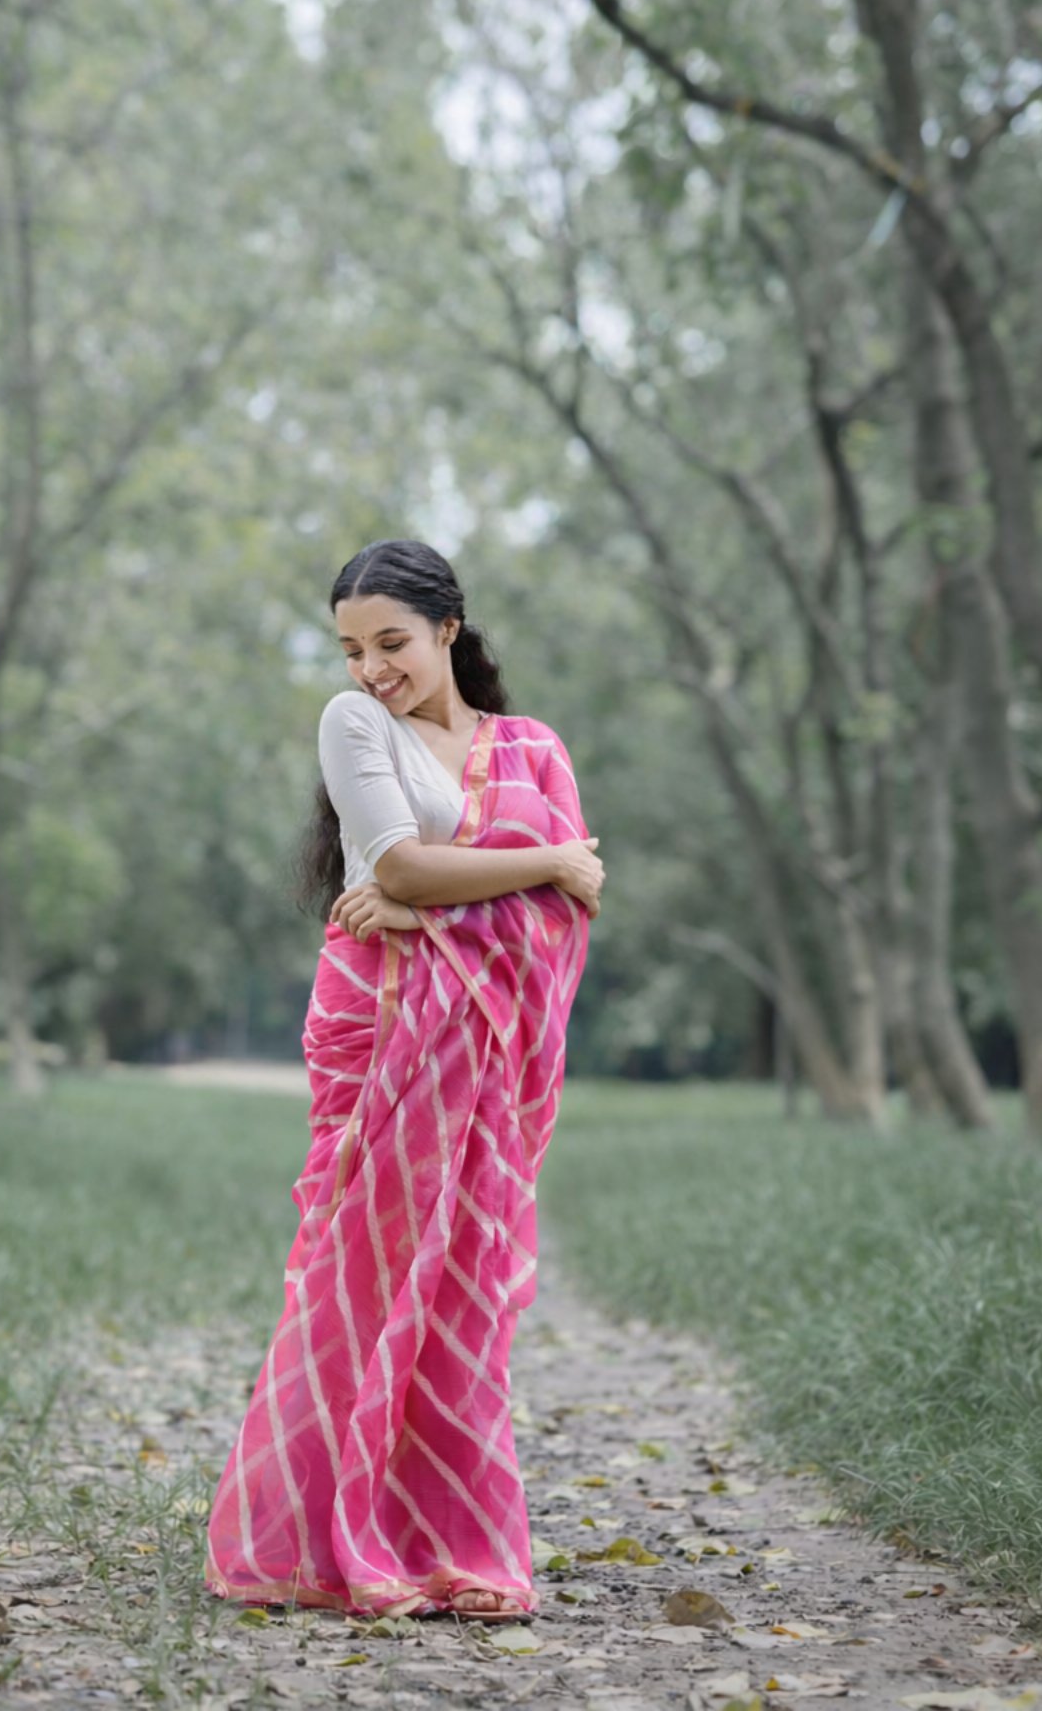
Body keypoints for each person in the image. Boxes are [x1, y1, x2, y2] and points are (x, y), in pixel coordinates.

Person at [203, 538, 605, 1622]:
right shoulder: (356, 724)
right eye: (350, 647)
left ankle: (457, 1545)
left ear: (447, 631)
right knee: (360, 1272)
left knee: (467, 1295)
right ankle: (322, 1541)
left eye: (392, 642)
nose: (372, 667)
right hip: (382, 1031)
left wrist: (442, 907)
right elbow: (400, 865)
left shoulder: (531, 746)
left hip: (481, 1053)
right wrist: (539, 864)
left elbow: (569, 917)